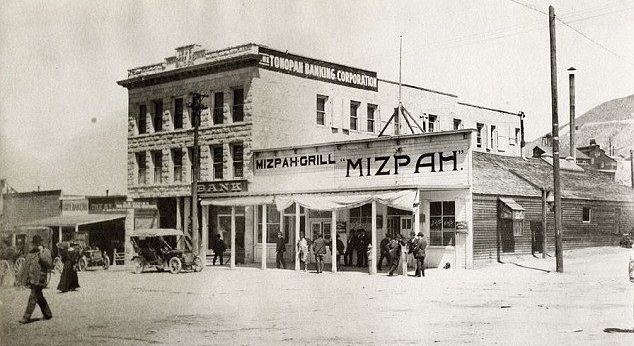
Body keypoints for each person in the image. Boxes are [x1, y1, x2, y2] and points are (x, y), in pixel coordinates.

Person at [20, 235, 53, 323]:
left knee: (33, 296)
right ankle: (48, 314)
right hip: (32, 279)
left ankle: (26, 317)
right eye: (34, 244)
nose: (36, 245)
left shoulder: (45, 251)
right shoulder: (30, 253)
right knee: (39, 296)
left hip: (40, 278)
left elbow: (49, 264)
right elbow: (25, 267)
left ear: (41, 243)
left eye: (37, 243)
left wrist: (41, 252)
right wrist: (23, 280)